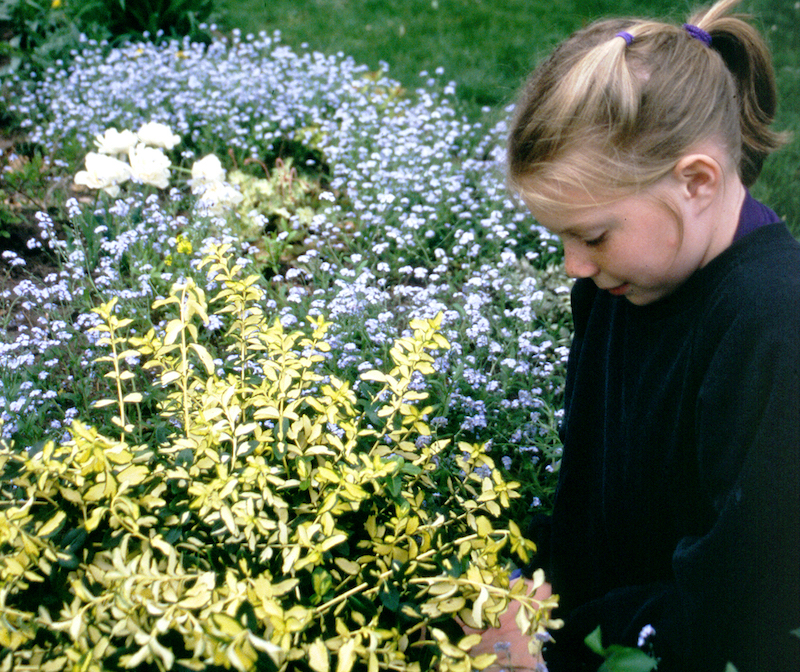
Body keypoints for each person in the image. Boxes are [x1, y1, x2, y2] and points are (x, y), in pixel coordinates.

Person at [475, 0, 800, 670]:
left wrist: (551, 653)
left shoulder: (774, 329)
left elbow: (746, 605)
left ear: (697, 180)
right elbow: (589, 487)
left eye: (592, 235)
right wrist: (534, 591)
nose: (574, 265)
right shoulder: (621, 284)